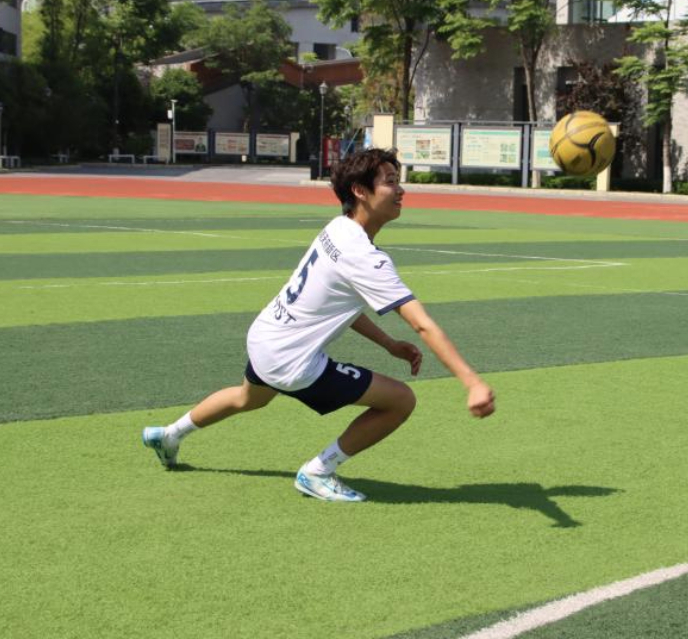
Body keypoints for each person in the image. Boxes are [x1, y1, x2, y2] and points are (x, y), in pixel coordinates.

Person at [142, 148, 496, 501]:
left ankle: (170, 434)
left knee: (247, 397)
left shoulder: (338, 229)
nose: (401, 190)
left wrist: (388, 344)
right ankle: (318, 471)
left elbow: (338, 305)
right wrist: (472, 383)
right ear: (360, 191)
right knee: (400, 400)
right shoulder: (366, 258)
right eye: (390, 182)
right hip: (291, 361)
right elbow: (423, 325)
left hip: (266, 337)